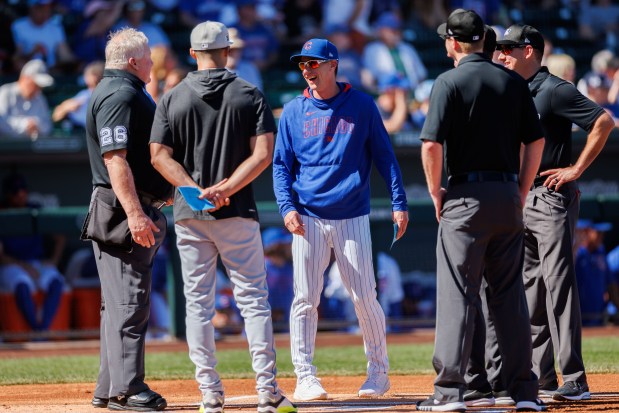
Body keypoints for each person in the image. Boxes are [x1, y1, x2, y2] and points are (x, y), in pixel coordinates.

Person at [149, 21, 297, 413]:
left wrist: (194, 190)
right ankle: (267, 391)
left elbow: (158, 156)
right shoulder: (249, 92)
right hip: (237, 212)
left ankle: (210, 395)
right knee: (253, 300)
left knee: (198, 304)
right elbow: (263, 154)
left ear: (194, 53)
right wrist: (225, 189)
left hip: (189, 213)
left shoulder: (173, 96)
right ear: (227, 51)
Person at [416, 9, 545, 412]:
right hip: (506, 196)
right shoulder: (512, 80)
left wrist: (436, 193)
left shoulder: (448, 81)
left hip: (465, 197)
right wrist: (521, 190)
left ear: (454, 42)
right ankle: (522, 391)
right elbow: (535, 141)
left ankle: (451, 393)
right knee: (509, 297)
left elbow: (431, 145)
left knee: (458, 294)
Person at [272, 37, 409, 401]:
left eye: (314, 63)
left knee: (364, 295)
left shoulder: (362, 105)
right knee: (304, 298)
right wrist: (286, 208)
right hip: (307, 217)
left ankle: (378, 372)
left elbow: (385, 156)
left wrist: (399, 201)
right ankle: (305, 376)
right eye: (303, 64)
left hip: (351, 214)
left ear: (333, 65)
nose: (308, 70)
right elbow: (281, 166)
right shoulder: (293, 111)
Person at [491, 24, 614, 402]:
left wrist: (576, 169)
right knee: (532, 288)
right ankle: (542, 375)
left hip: (551, 196)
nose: (501, 54)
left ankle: (575, 378)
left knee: (558, 284)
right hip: (522, 197)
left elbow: (604, 121)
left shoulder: (555, 88)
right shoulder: (514, 90)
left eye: (509, 49)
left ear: (529, 50)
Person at [82, 27, 170, 411]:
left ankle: (108, 387)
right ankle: (128, 390)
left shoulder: (124, 90)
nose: (153, 61)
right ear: (134, 61)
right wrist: (135, 213)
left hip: (124, 206)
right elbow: (114, 158)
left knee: (118, 303)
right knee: (129, 301)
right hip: (121, 210)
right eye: (148, 55)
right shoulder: (119, 93)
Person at [0, 172, 66, 334]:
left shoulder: (35, 210)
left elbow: (60, 237)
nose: (20, 194)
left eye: (23, 190)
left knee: (56, 281)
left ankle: (42, 330)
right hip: (12, 265)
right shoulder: (2, 213)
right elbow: (0, 255)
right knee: (22, 284)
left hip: (37, 262)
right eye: (15, 191)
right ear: (8, 194)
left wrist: (53, 260)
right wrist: (24, 266)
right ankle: (37, 330)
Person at [362, 12, 427, 93]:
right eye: (391, 30)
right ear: (381, 31)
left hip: (413, 91)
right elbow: (372, 79)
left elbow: (421, 74)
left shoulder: (408, 48)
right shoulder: (372, 49)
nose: (395, 33)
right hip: (387, 93)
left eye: (397, 30)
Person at [575, 220, 617, 326]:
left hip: (598, 316)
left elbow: (611, 284)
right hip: (579, 316)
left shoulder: (601, 252)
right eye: (598, 233)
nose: (601, 236)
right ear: (586, 232)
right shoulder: (577, 254)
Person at [0, 59, 53, 140]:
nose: (38, 89)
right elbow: (2, 123)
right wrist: (25, 125)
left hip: (31, 151)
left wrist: (37, 126)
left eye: (40, 86)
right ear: (25, 78)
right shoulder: (5, 92)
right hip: (6, 150)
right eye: (35, 84)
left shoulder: (40, 98)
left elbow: (48, 126)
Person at [52, 60, 105, 130]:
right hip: (83, 132)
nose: (86, 78)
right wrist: (66, 107)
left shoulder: (107, 95)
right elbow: (56, 116)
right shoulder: (84, 95)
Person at [262, 226, 294, 330]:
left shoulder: (288, 267)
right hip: (265, 323)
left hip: (286, 324)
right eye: (285, 244)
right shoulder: (262, 267)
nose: (289, 246)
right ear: (276, 246)